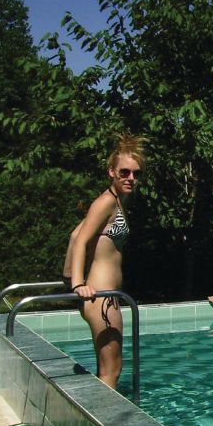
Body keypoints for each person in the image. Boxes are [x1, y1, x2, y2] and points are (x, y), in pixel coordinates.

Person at [62, 135, 144, 389]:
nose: (131, 178)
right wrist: (77, 285)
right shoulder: (106, 201)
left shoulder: (116, 202)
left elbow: (75, 234)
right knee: (112, 369)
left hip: (106, 295)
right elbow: (81, 241)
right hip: (101, 296)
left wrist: (68, 277)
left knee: (108, 367)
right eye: (124, 172)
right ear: (111, 172)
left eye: (136, 174)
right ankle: (105, 415)